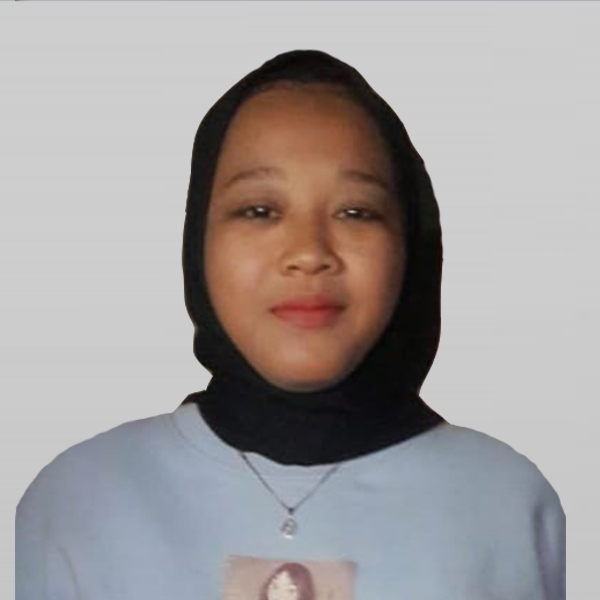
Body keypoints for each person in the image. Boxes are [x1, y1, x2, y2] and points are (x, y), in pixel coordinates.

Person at [15, 49, 566, 600]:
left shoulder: (512, 505)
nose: (309, 252)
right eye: (259, 211)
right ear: (198, 243)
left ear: (412, 248)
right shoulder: (78, 501)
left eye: (356, 212)